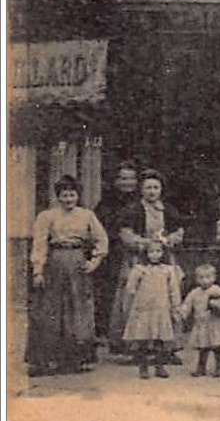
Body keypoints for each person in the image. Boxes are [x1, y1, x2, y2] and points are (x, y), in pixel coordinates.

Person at [26, 176, 109, 376]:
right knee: (50, 310)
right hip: (54, 263)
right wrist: (38, 270)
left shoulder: (87, 215)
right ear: (58, 197)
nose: (68, 199)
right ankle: (45, 361)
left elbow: (102, 239)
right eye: (64, 195)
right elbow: (39, 243)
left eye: (72, 195)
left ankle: (74, 360)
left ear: (78, 196)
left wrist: (94, 262)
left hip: (77, 262)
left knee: (77, 310)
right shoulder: (47, 216)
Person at [113, 170, 186, 365]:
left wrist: (169, 240)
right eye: (148, 187)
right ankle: (137, 348)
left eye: (155, 187)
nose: (152, 191)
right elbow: (125, 235)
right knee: (137, 301)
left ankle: (167, 347)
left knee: (167, 300)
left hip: (164, 260)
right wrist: (146, 243)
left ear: (161, 189)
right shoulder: (132, 210)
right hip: (138, 261)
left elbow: (179, 232)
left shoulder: (169, 210)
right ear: (141, 189)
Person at [94, 161, 140, 351]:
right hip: (114, 252)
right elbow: (100, 228)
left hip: (137, 252)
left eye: (131, 178)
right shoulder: (106, 203)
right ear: (115, 181)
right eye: (122, 178)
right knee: (112, 293)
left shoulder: (142, 200)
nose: (127, 182)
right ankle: (111, 336)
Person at [122, 239, 183, 379]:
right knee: (142, 338)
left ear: (163, 253)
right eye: (151, 252)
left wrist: (176, 306)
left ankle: (159, 366)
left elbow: (174, 290)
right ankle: (143, 367)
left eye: (158, 251)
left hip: (161, 309)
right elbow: (130, 288)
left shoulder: (168, 270)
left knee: (160, 339)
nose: (155, 255)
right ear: (146, 253)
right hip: (143, 308)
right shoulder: (139, 269)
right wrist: (131, 303)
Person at [179, 262, 220, 378]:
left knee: (218, 347)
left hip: (215, 324)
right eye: (201, 277)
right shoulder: (195, 293)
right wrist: (183, 312)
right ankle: (201, 368)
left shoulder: (218, 291)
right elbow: (187, 304)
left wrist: (217, 304)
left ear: (214, 277)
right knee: (203, 348)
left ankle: (219, 367)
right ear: (197, 279)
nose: (205, 281)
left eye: (208, 277)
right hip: (202, 324)